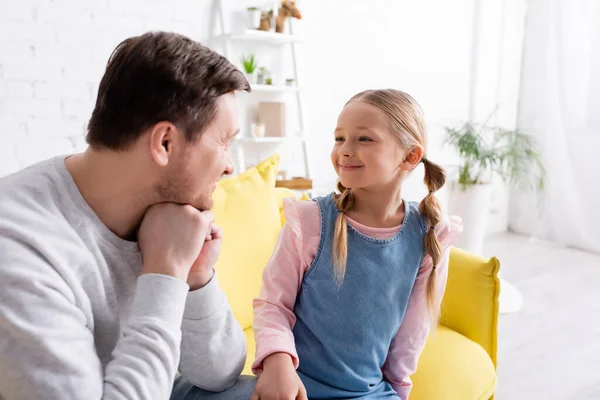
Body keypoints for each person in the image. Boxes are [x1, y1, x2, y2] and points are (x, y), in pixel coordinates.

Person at [0, 31, 257, 400]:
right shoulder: (20, 251)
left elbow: (220, 374)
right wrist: (166, 274)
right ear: (164, 143)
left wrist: (196, 276)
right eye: (224, 142)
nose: (231, 167)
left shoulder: (166, 218)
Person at [251, 89, 463, 400]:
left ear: (409, 156)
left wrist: (398, 392)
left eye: (364, 139)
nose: (345, 150)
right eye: (339, 138)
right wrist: (277, 363)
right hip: (293, 387)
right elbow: (273, 306)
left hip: (370, 393)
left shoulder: (428, 235)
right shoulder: (309, 220)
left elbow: (411, 334)